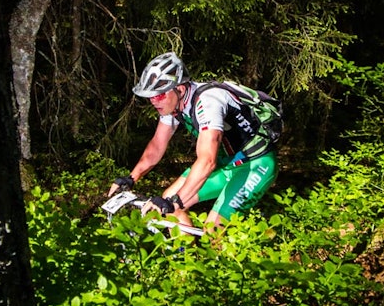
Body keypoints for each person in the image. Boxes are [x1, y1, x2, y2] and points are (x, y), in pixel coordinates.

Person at [108, 51, 278, 230]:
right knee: (169, 205)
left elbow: (207, 160)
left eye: (158, 95)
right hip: (227, 165)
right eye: (150, 96)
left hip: (254, 165)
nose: (153, 101)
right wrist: (131, 178)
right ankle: (184, 255)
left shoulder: (209, 102)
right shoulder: (174, 105)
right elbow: (157, 145)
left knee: (213, 229)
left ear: (179, 89)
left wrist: (176, 201)